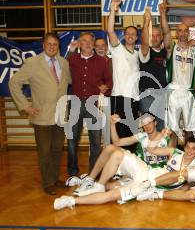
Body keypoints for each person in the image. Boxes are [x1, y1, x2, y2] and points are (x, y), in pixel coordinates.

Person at [54, 138, 195, 209]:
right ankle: (97, 184)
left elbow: (188, 186)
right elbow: (151, 150)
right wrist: (161, 136)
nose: (189, 151)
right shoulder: (174, 152)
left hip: (147, 185)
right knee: (116, 152)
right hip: (145, 170)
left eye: (193, 149)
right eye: (188, 147)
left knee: (111, 195)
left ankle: (71, 201)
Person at [9, 32, 71, 195]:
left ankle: (54, 178)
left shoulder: (63, 62)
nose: (52, 47)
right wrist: (25, 106)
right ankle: (47, 182)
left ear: (59, 47)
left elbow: (68, 83)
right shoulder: (32, 62)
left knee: (57, 149)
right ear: (43, 45)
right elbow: (14, 83)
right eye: (49, 44)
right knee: (45, 151)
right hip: (41, 116)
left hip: (60, 116)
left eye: (55, 44)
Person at [66, 113, 170, 192]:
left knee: (111, 187)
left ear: (155, 123)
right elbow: (117, 142)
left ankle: (94, 185)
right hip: (139, 167)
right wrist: (112, 124)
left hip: (151, 174)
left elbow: (176, 149)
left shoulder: (166, 136)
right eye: (144, 124)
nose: (147, 126)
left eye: (149, 122)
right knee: (110, 147)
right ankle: (90, 179)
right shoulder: (142, 136)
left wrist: (171, 134)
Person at [66, 32, 112, 177]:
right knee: (72, 141)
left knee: (96, 142)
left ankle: (94, 174)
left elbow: (109, 81)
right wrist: (70, 50)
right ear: (79, 43)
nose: (87, 43)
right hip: (74, 103)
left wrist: (106, 87)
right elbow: (60, 66)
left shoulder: (101, 61)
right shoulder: (72, 59)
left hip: (93, 104)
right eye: (83, 41)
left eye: (89, 41)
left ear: (93, 44)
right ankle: (73, 173)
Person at [107, 0, 150, 152]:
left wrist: (146, 22)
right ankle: (117, 168)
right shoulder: (117, 49)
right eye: (128, 33)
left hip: (134, 99)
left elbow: (146, 43)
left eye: (133, 34)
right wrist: (113, 9)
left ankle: (131, 167)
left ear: (136, 37)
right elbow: (110, 30)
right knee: (118, 134)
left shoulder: (138, 54)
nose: (131, 36)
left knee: (131, 133)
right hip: (119, 97)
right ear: (124, 36)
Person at [164, 20, 195, 147]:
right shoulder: (172, 48)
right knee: (172, 128)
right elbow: (166, 32)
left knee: (189, 129)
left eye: (185, 30)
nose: (183, 33)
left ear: (189, 33)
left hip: (189, 92)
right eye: (180, 30)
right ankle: (171, 156)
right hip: (174, 92)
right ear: (176, 33)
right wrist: (163, 15)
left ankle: (188, 156)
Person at [138, 2, 171, 131]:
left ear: (161, 37)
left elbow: (168, 34)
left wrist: (163, 14)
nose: (155, 38)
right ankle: (148, 151)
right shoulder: (145, 52)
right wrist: (146, 22)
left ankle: (159, 151)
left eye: (158, 35)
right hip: (147, 94)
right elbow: (145, 42)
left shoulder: (164, 51)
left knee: (161, 126)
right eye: (153, 35)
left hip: (162, 95)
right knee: (149, 127)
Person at [94, 37, 113, 147]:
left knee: (108, 128)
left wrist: (107, 86)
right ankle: (94, 156)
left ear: (107, 47)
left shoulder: (112, 61)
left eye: (103, 46)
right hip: (93, 99)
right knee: (95, 129)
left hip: (108, 99)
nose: (100, 48)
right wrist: (98, 86)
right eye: (97, 46)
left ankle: (108, 151)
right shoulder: (89, 61)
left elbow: (115, 79)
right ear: (94, 48)